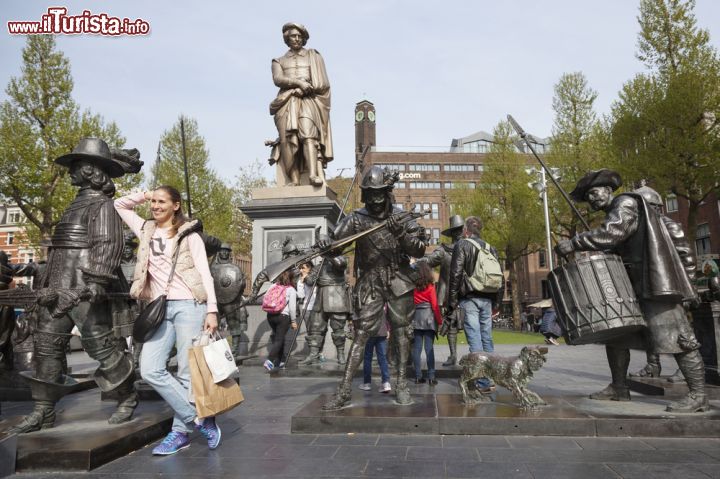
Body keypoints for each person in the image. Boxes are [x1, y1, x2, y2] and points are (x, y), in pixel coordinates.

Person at [9, 139, 140, 434]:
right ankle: (43, 411)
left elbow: (108, 244)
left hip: (84, 287)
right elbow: (61, 250)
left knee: (100, 346)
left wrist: (97, 281)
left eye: (76, 166)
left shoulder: (102, 205)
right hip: (57, 286)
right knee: (47, 345)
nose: (70, 171)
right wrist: (43, 275)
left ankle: (127, 397)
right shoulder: (75, 204)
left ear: (92, 170)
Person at [556, 169, 708, 413]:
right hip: (631, 284)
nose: (592, 199)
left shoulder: (625, 203)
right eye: (588, 197)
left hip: (655, 284)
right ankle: (619, 387)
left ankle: (698, 395)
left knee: (677, 337)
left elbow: (612, 233)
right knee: (617, 337)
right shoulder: (617, 210)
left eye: (594, 193)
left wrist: (574, 242)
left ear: (608, 190)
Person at [114, 186, 222, 455]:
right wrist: (143, 194)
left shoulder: (190, 236)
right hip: (159, 308)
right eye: (154, 202)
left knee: (186, 373)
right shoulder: (146, 229)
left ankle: (179, 433)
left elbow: (205, 274)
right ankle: (196, 418)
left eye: (162, 201)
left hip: (190, 307)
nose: (156, 206)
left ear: (176, 205)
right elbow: (120, 205)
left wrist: (212, 310)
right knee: (150, 369)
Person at [319, 166, 427, 410]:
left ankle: (401, 384)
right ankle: (345, 389)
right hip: (370, 282)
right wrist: (327, 242)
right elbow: (335, 242)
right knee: (361, 335)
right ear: (365, 195)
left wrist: (401, 235)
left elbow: (418, 249)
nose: (376, 201)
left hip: (399, 277)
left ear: (388, 192)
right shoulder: (356, 218)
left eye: (380, 194)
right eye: (370, 195)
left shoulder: (402, 217)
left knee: (402, 333)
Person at [269, 22, 333, 187]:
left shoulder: (314, 56)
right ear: (287, 39)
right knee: (289, 140)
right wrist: (298, 83)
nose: (296, 39)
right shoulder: (278, 60)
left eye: (299, 36)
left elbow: (323, 83)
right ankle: (295, 179)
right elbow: (278, 79)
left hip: (308, 100)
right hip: (286, 101)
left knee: (308, 134)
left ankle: (312, 175)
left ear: (303, 38)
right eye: (293, 36)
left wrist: (305, 89)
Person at [447, 216, 503, 391]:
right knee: (487, 338)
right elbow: (499, 276)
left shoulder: (462, 245)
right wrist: (497, 303)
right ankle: (491, 377)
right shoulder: (490, 248)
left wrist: (452, 300)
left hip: (469, 298)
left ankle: (482, 381)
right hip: (487, 297)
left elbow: (455, 274)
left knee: (474, 339)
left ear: (465, 231)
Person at [419, 214, 464, 366]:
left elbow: (428, 260)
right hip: (458, 294)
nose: (458, 233)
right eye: (457, 230)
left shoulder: (449, 249)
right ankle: (454, 355)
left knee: (455, 324)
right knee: (453, 324)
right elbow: (428, 260)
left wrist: (415, 261)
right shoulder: (446, 250)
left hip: (458, 293)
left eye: (459, 230)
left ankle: (456, 356)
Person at [300, 236, 351, 366]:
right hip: (320, 300)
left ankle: (340, 354)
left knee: (338, 329)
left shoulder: (340, 258)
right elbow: (311, 281)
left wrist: (328, 253)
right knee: (316, 328)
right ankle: (313, 354)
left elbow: (340, 265)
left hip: (337, 299)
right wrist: (305, 276)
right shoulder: (319, 266)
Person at [210, 243, 249, 358]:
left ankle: (235, 349)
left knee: (233, 323)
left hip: (230, 301)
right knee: (213, 325)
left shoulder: (235, 268)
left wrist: (241, 283)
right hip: (215, 299)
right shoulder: (212, 268)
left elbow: (240, 284)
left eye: (226, 251)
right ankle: (214, 348)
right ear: (218, 253)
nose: (224, 252)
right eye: (222, 250)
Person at [412, 262, 442, 385]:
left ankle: (418, 377)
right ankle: (431, 377)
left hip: (416, 317)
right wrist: (439, 321)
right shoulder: (430, 287)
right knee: (429, 348)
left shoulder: (413, 287)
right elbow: (435, 306)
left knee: (417, 349)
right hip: (429, 318)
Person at [263, 270, 297, 371]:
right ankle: (269, 360)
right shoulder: (291, 290)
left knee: (280, 338)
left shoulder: (273, 286)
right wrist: (294, 321)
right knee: (279, 339)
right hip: (283, 317)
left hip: (270, 315)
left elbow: (265, 298)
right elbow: (292, 308)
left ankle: (280, 360)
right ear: (291, 278)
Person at [359, 315, 391, 393]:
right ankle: (386, 383)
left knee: (367, 357)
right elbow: (387, 314)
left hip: (369, 330)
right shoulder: (383, 302)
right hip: (382, 329)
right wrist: (388, 329)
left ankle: (367, 383)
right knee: (382, 357)